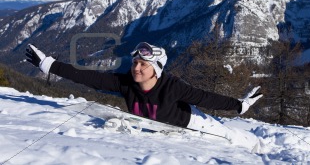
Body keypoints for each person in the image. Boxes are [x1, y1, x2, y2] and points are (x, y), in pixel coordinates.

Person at [25, 42, 263, 148]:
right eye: (135, 62)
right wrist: (49, 65)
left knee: (233, 140)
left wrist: (239, 106)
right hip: (159, 127)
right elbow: (90, 77)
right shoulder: (125, 83)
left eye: (143, 64)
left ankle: (257, 146)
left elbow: (206, 98)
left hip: (194, 122)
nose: (136, 68)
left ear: (157, 69)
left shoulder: (172, 86)